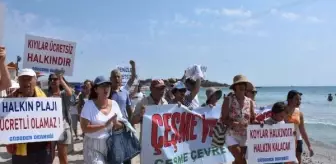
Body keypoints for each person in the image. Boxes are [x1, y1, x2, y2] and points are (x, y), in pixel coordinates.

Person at [6, 69, 53, 164]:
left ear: (35, 81)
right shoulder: (10, 100)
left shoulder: (45, 100)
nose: (26, 81)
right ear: (18, 81)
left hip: (42, 150)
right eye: (23, 78)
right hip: (20, 151)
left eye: (29, 78)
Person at [80, 76, 124, 164]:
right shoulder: (89, 105)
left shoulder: (114, 104)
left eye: (108, 86)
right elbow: (85, 128)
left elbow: (122, 125)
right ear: (96, 89)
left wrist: (116, 123)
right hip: (93, 146)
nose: (106, 89)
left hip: (111, 145)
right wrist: (104, 125)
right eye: (102, 86)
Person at [221, 75, 258, 164]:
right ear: (235, 87)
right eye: (239, 84)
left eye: (244, 84)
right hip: (231, 135)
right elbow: (223, 119)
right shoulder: (228, 100)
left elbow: (253, 119)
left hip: (245, 136)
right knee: (242, 160)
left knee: (238, 161)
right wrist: (234, 123)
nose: (242, 86)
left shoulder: (250, 102)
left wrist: (257, 123)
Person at [47, 72, 74, 164]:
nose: (53, 81)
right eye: (51, 79)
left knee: (63, 157)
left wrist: (61, 79)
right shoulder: (45, 94)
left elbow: (70, 93)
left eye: (55, 79)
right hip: (49, 128)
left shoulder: (63, 94)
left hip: (63, 127)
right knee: (49, 157)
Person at [132, 79, 168, 144]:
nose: (161, 91)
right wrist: (141, 114)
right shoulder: (143, 102)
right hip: (147, 143)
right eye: (158, 88)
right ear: (151, 89)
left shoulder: (165, 103)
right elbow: (133, 120)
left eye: (162, 88)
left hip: (162, 140)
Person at [285, 90, 314, 164]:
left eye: (300, 99)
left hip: (298, 140)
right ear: (289, 99)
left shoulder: (299, 113)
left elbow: (302, 130)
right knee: (286, 161)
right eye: (297, 99)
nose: (299, 101)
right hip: (284, 140)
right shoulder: (282, 111)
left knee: (298, 161)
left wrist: (309, 146)